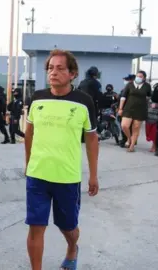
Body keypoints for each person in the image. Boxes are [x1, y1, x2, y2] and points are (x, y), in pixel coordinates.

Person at [25, 49, 99, 270]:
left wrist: (93, 175)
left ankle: (72, 247)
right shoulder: (37, 98)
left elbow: (92, 138)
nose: (53, 72)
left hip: (67, 177)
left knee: (68, 227)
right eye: (50, 68)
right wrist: (28, 164)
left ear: (72, 73)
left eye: (59, 68)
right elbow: (29, 133)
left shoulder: (84, 102)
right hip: (37, 175)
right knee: (36, 227)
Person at [118, 70, 152, 152]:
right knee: (124, 125)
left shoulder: (147, 86)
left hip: (140, 110)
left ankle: (132, 146)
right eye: (137, 76)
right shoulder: (129, 85)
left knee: (136, 128)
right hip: (128, 108)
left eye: (140, 76)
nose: (138, 78)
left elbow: (149, 96)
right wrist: (120, 108)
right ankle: (129, 139)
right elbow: (123, 97)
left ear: (144, 78)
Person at [118, 74, 136, 147]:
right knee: (126, 126)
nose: (125, 81)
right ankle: (128, 140)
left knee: (125, 126)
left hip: (127, 110)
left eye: (127, 80)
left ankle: (127, 140)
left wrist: (120, 109)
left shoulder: (131, 89)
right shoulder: (126, 88)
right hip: (125, 110)